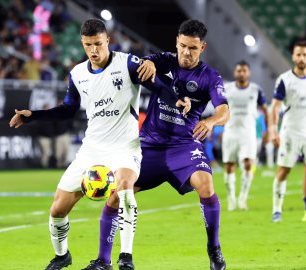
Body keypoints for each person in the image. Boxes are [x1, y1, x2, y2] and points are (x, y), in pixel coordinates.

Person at [9, 19, 188, 270]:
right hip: (91, 149)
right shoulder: (78, 74)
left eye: (98, 44)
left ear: (107, 41)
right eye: (87, 45)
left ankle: (125, 257)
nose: (93, 50)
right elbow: (68, 109)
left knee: (125, 188)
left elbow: (158, 87)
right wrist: (34, 115)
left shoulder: (128, 63)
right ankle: (62, 256)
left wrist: (177, 100)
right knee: (57, 209)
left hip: (125, 147)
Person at [86, 20, 228, 270]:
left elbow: (225, 110)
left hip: (184, 146)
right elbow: (142, 63)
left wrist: (212, 121)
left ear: (202, 47)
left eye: (193, 48)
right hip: (149, 146)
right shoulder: (164, 60)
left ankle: (214, 249)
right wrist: (148, 63)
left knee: (206, 185)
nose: (186, 52)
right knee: (116, 195)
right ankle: (103, 260)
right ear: (176, 42)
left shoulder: (209, 77)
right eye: (183, 46)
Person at [269, 40, 306, 223]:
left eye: (305, 54)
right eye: (298, 54)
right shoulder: (284, 80)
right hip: (290, 133)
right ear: (293, 56)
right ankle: (277, 210)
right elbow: (275, 107)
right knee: (284, 171)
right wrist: (273, 130)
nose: (301, 58)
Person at [222, 61, 268, 211]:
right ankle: (231, 199)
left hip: (248, 133)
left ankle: (242, 198)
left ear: (249, 73)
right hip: (230, 132)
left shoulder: (256, 90)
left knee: (248, 164)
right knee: (229, 166)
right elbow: (219, 108)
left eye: (244, 71)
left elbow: (265, 110)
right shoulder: (226, 88)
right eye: (239, 71)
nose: (241, 73)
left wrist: (268, 130)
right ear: (235, 73)